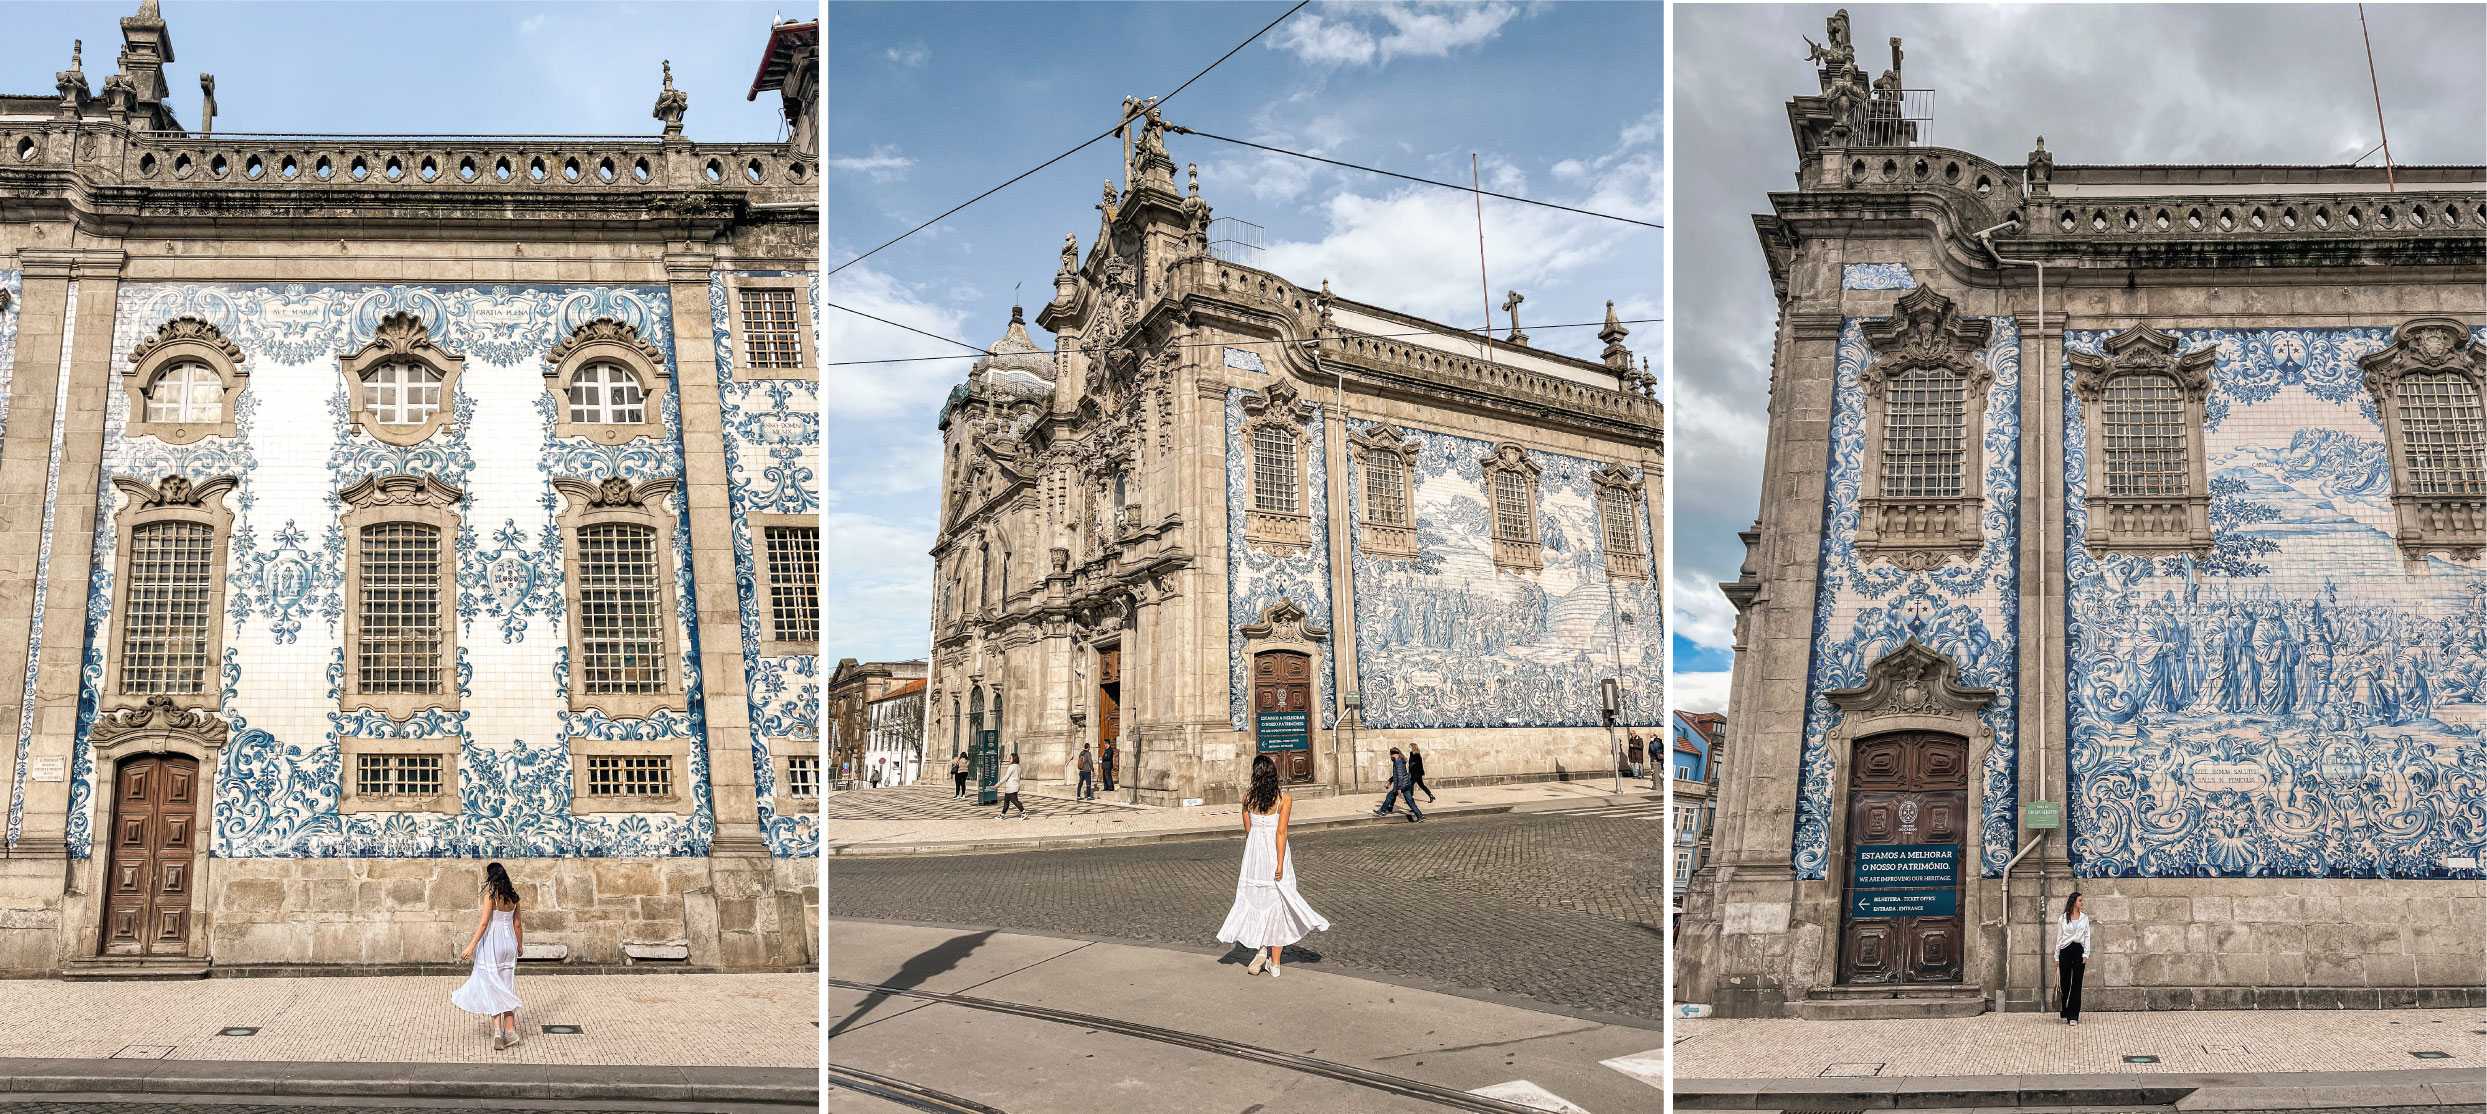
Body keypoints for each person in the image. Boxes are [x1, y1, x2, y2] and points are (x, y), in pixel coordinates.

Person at [1217, 754, 1330, 977]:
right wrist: (1279, 863)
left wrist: (1254, 853)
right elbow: (1281, 832)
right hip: (1274, 853)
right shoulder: (1283, 799)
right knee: (1279, 902)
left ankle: (1261, 948)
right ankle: (1275, 963)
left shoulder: (1247, 798)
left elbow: (1248, 831)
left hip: (1254, 855)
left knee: (1258, 899)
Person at [452, 862, 525, 1050]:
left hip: (492, 944)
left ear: (490, 877)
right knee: (507, 986)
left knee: (492, 986)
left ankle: (498, 1032)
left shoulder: (490, 897)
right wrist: (519, 946)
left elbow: (484, 924)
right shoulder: (514, 898)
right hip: (509, 944)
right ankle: (511, 1031)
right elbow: (517, 925)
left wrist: (470, 947)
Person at [2057, 891, 2090, 1026]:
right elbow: (2059, 938)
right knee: (2065, 983)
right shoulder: (2063, 918)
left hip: (2078, 951)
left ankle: (2073, 1015)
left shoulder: (2084, 918)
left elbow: (2087, 936)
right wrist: (2056, 956)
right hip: (2065, 950)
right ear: (2074, 902)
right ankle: (2064, 1010)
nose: (2082, 903)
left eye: (2082, 901)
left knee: (2077, 983)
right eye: (2080, 901)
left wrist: (2086, 954)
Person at [1372, 747, 1424, 822]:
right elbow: (1397, 775)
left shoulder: (1398, 763)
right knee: (1410, 802)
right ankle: (1420, 816)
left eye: (1391, 755)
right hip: (1405, 785)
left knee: (1389, 796)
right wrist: (1390, 781)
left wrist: (1399, 788)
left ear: (1395, 754)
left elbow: (1400, 777)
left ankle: (1382, 811)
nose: (1390, 756)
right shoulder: (1399, 761)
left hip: (1401, 785)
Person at [995, 752, 1027, 819]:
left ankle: (1023, 812)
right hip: (1015, 786)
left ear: (1014, 759)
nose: (1009, 760)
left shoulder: (1011, 767)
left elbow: (1006, 776)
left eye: (1010, 758)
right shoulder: (1018, 767)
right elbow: (1020, 776)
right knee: (1006, 801)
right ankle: (1002, 814)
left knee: (1014, 801)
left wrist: (998, 784)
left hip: (1011, 786)